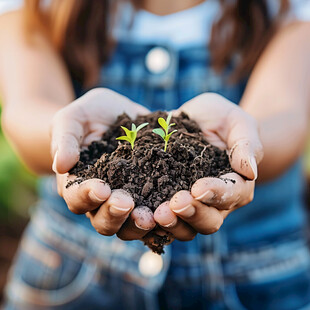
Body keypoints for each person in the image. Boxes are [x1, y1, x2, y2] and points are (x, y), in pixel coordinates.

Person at [0, 0, 310, 309]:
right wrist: (63, 134)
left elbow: (285, 114)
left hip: (262, 276)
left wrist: (242, 145)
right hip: (67, 272)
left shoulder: (286, 8)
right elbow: (27, 105)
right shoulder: (43, 6)